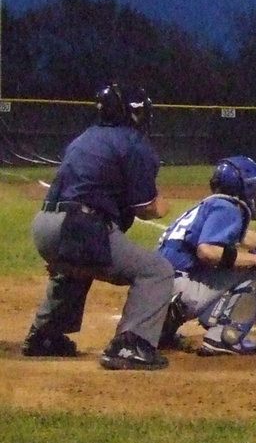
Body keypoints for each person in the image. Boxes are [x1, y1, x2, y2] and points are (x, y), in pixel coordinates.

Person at [22, 84, 175, 371]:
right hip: (79, 226)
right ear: (134, 114)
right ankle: (131, 345)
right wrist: (162, 207)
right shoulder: (132, 142)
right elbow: (145, 206)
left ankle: (45, 335)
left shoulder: (84, 138)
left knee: (76, 267)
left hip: (44, 224)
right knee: (157, 271)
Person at [157, 156, 256, 355]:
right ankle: (224, 338)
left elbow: (240, 238)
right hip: (180, 290)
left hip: (158, 290)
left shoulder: (211, 205)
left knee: (235, 258)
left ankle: (162, 332)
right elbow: (207, 250)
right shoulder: (228, 208)